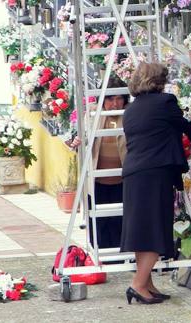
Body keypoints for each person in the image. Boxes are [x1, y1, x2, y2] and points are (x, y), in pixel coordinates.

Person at [120, 62, 191, 305]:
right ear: (159, 81)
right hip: (154, 174)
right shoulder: (165, 103)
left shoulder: (130, 110)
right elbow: (184, 126)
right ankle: (137, 284)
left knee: (141, 231)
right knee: (155, 229)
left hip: (134, 173)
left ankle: (147, 284)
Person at [71, 78, 128, 250]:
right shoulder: (92, 114)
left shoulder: (130, 115)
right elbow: (77, 138)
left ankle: (122, 255)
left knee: (121, 220)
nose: (115, 103)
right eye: (110, 99)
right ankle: (101, 256)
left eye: (119, 98)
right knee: (99, 222)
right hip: (97, 182)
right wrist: (76, 141)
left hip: (123, 181)